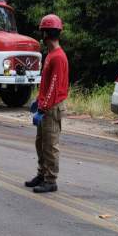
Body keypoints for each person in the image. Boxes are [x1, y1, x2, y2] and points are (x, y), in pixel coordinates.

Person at [25, 14, 69, 194]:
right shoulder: (51, 54)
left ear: (46, 33)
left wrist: (43, 107)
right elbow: (46, 82)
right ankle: (42, 174)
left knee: (50, 146)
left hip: (52, 108)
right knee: (41, 143)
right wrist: (38, 100)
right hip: (46, 104)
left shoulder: (58, 57)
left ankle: (51, 180)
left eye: (42, 32)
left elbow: (54, 85)